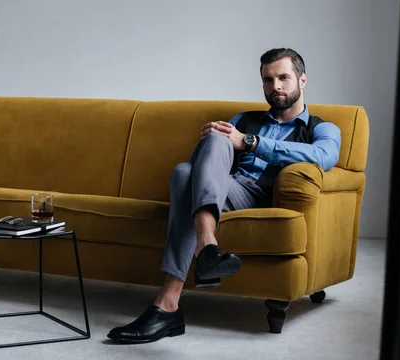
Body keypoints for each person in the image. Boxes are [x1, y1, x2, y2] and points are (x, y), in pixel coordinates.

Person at [106, 48, 342, 344]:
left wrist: (250, 142)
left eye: (283, 77)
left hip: (265, 197)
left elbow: (323, 156)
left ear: (302, 80)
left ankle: (169, 303)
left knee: (183, 173)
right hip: (228, 188)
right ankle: (206, 251)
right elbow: (210, 164)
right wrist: (211, 138)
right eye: (268, 80)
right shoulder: (244, 118)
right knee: (187, 167)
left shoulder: (322, 128)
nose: (276, 87)